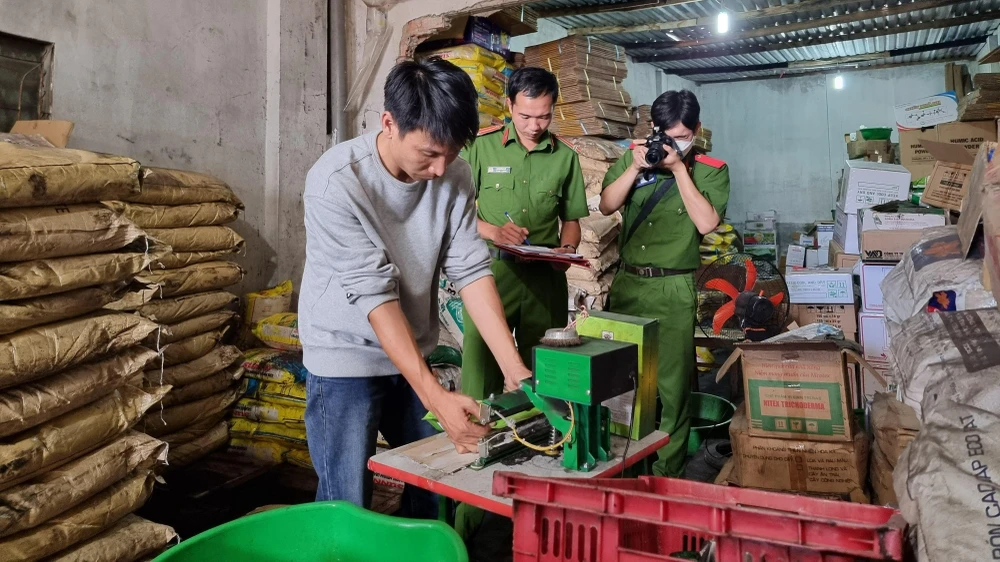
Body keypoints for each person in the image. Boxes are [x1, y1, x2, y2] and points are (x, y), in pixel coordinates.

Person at [299, 58, 532, 519]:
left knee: (437, 482)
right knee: (346, 501)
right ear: (389, 122)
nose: (440, 167)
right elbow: (375, 295)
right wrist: (433, 397)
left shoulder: (455, 175)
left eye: (452, 152)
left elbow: (471, 270)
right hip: (344, 355)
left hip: (411, 350)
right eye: (428, 153)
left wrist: (515, 369)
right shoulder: (336, 182)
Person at [599, 90, 730, 477]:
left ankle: (664, 474)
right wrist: (634, 167)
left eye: (683, 135)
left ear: (697, 131)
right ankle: (624, 467)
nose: (674, 143)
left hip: (674, 288)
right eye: (665, 134)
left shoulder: (710, 168)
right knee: (622, 383)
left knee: (671, 388)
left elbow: (707, 223)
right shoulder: (636, 155)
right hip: (629, 284)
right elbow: (607, 205)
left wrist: (678, 170)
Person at [460, 66, 589, 402]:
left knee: (544, 376)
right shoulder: (480, 147)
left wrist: (568, 248)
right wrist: (492, 231)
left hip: (545, 281)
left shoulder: (566, 157)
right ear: (509, 106)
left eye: (544, 117)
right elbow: (450, 210)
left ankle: (540, 446)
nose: (534, 126)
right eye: (526, 116)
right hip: (489, 274)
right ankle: (477, 448)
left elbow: (571, 218)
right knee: (480, 374)